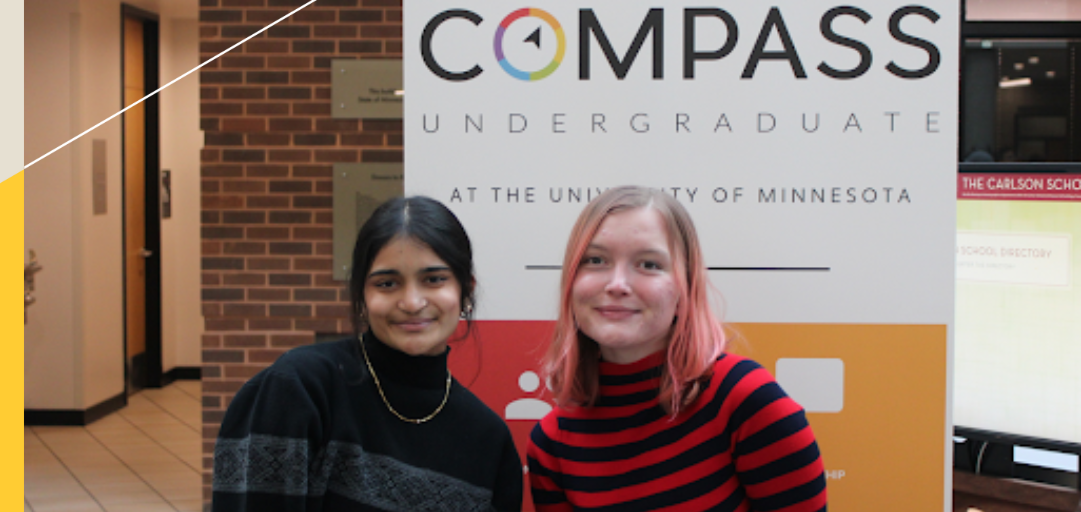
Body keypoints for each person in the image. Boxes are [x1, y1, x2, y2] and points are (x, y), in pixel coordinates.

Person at [213, 196, 523, 512]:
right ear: (362, 295)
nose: (412, 302)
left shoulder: (489, 440)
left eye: (433, 279)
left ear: (465, 290)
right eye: (388, 283)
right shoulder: (301, 388)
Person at [527, 186, 827, 511]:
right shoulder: (552, 442)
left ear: (685, 287)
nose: (617, 284)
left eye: (649, 264)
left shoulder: (746, 401)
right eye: (596, 260)